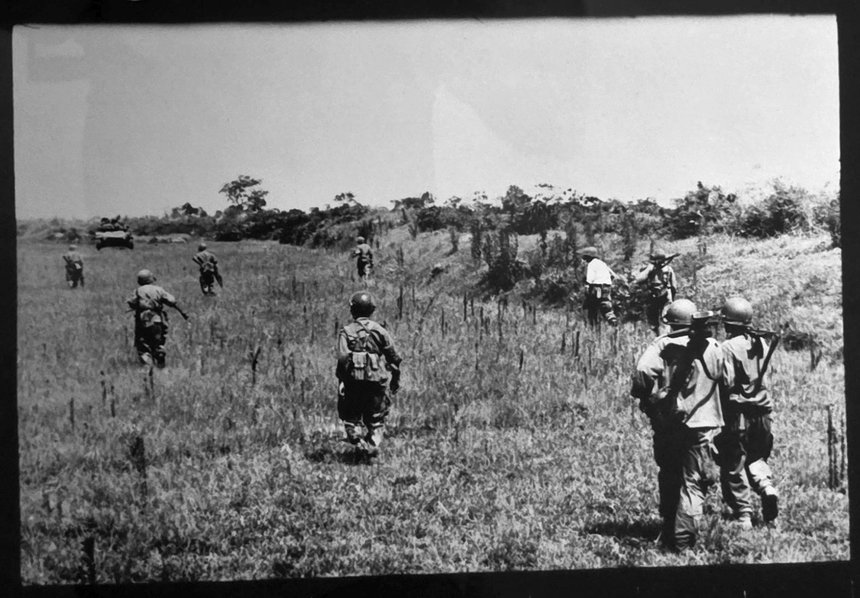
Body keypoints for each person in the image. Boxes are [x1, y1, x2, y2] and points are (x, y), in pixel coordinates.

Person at [631, 299, 724, 550]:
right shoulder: (714, 346)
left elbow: (642, 374)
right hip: (704, 424)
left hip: (671, 423)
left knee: (670, 473)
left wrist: (647, 398)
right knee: (693, 480)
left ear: (670, 322)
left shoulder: (664, 344)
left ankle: (672, 530)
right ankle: (685, 539)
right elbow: (725, 380)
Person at [714, 297, 779, 529]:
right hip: (763, 412)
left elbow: (727, 382)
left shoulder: (728, 347)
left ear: (729, 324)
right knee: (756, 456)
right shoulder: (762, 344)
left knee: (734, 461)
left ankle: (744, 514)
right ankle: (766, 487)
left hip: (738, 414)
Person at [336, 291, 402, 459]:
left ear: (352, 311)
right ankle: (372, 445)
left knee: (352, 416)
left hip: (353, 382)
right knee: (376, 417)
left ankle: (359, 443)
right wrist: (395, 378)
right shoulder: (380, 331)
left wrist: (342, 381)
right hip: (376, 381)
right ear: (372, 310)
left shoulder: (347, 332)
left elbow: (343, 358)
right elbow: (394, 358)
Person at [126, 269, 188, 367]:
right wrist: (183, 312)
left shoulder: (137, 291)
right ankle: (160, 366)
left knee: (142, 345)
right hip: (156, 319)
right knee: (158, 343)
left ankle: (148, 366)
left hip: (142, 320)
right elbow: (172, 301)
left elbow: (131, 303)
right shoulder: (159, 289)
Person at [635, 249, 678, 334]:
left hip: (665, 296)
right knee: (653, 321)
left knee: (665, 320)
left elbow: (673, 286)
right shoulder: (649, 269)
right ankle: (657, 336)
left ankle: (665, 338)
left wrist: (672, 299)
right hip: (653, 297)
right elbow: (638, 279)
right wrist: (648, 269)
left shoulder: (668, 269)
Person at [580, 246, 618, 326]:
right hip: (607, 287)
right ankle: (612, 321)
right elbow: (614, 275)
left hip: (596, 288)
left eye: (583, 258)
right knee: (606, 307)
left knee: (592, 307)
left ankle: (593, 326)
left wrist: (587, 288)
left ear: (586, 258)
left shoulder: (591, 264)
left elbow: (590, 279)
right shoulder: (602, 263)